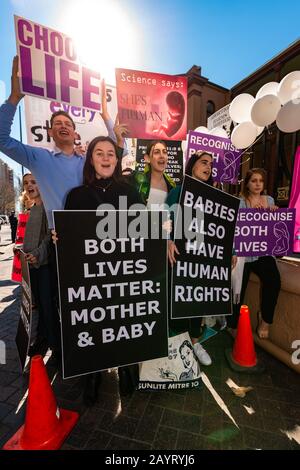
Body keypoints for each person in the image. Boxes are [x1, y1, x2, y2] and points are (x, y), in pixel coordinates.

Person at [59, 136, 143, 406]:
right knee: (94, 324)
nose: (106, 158)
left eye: (111, 153)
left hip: (124, 275)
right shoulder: (76, 195)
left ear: (117, 160)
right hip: (91, 278)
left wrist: (163, 237)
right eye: (99, 153)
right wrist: (58, 237)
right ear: (91, 159)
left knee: (123, 321)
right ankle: (93, 375)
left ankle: (126, 368)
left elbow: (146, 229)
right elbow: (70, 239)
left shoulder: (130, 193)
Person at [0, 57, 125, 229]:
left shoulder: (87, 159)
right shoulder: (38, 158)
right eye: (58, 124)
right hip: (60, 240)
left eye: (68, 124)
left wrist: (105, 115)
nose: (63, 126)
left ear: (75, 133)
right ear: (50, 132)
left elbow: (117, 152)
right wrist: (13, 99)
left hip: (94, 235)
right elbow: (2, 139)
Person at [166, 152, 216, 366]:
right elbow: (164, 218)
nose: (208, 167)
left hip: (203, 258)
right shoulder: (177, 191)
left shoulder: (215, 196)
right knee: (177, 301)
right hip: (178, 254)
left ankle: (195, 342)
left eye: (211, 164)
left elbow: (223, 227)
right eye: (204, 162)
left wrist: (230, 251)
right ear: (192, 166)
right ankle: (177, 345)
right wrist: (168, 241)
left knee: (198, 300)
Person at [227, 168, 281, 339]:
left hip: (263, 252)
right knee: (238, 288)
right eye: (254, 181)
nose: (258, 184)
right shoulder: (240, 201)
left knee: (274, 280)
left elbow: (274, 230)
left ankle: (265, 320)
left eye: (261, 181)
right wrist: (233, 252)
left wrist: (273, 213)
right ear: (247, 183)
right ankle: (232, 324)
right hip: (244, 252)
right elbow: (235, 228)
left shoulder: (270, 200)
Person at [21, 173, 61, 360]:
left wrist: (36, 254)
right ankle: (42, 341)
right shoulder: (32, 209)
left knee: (48, 306)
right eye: (26, 183)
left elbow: (47, 237)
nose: (29, 185)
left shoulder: (47, 207)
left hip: (44, 266)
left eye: (34, 182)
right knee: (39, 306)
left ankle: (56, 347)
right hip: (32, 268)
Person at [131, 140, 176, 207]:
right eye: (156, 152)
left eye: (164, 152)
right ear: (147, 158)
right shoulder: (139, 182)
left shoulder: (172, 185)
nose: (162, 156)